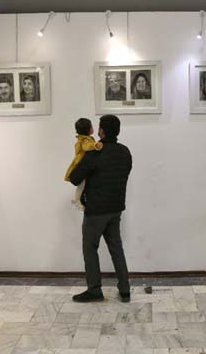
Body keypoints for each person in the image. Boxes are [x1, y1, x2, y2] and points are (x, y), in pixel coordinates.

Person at [68, 115, 132, 303]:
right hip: (116, 209)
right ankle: (125, 290)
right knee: (116, 249)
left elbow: (74, 178)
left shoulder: (95, 152)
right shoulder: (125, 152)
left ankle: (94, 290)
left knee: (90, 249)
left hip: (96, 211)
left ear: (101, 131)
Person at [64, 118, 103, 210]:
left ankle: (77, 201)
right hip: (82, 166)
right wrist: (95, 145)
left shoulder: (85, 139)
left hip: (83, 165)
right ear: (87, 129)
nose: (93, 128)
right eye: (91, 127)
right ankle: (77, 201)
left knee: (83, 185)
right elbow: (87, 147)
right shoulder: (85, 140)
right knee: (81, 185)